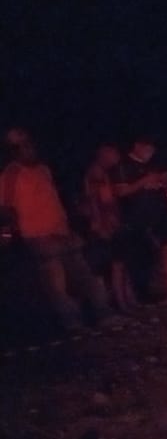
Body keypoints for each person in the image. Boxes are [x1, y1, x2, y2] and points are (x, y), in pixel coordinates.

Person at [0, 128, 118, 330]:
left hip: (62, 232)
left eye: (30, 144)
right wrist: (7, 233)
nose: (30, 149)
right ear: (14, 151)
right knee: (56, 286)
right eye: (24, 146)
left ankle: (103, 315)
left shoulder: (43, 169)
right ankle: (73, 322)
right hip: (38, 235)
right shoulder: (11, 174)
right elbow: (7, 206)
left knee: (86, 275)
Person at [112, 135, 167, 303]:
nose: (151, 152)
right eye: (148, 148)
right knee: (142, 258)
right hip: (139, 218)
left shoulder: (154, 163)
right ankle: (140, 296)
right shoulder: (124, 166)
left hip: (161, 212)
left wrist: (163, 180)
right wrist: (143, 182)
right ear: (137, 146)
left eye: (153, 148)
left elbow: (166, 177)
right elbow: (121, 192)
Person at [83, 143, 137, 311]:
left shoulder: (105, 173)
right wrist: (100, 223)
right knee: (116, 264)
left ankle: (128, 299)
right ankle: (121, 302)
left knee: (121, 262)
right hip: (108, 224)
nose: (117, 156)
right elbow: (95, 200)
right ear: (104, 154)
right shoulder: (96, 173)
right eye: (114, 153)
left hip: (112, 221)